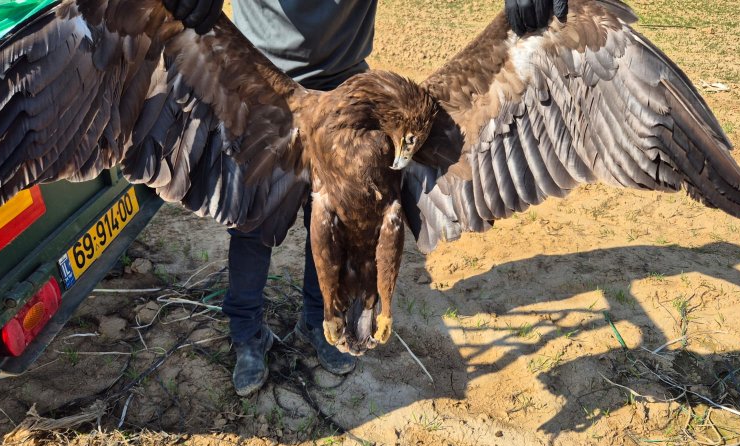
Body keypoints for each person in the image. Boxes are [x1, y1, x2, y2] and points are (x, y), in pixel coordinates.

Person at [163, 0, 569, 396]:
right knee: (251, 224)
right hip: (258, 81)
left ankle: (320, 320)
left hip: (351, 86)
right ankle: (248, 335)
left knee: (341, 218)